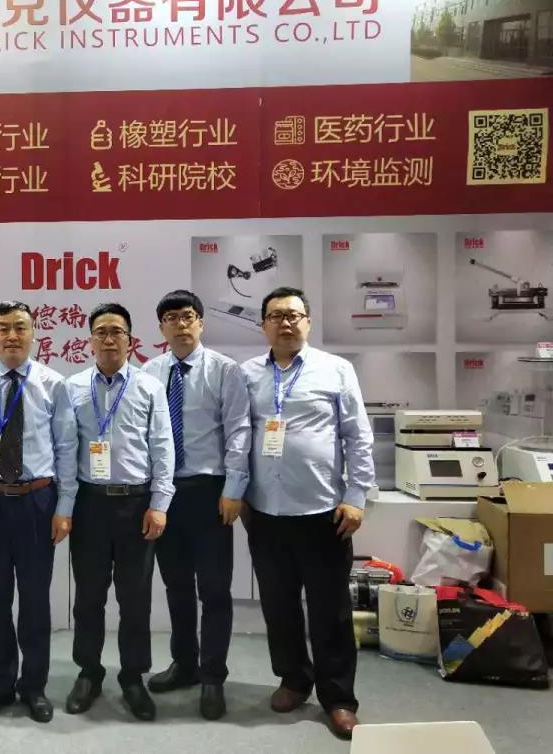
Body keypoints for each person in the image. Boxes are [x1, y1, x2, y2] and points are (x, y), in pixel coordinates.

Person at [239, 286, 374, 740]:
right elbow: (238, 437)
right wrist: (239, 493)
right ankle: (294, 679)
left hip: (323, 512)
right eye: (276, 315)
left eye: (294, 315)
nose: (286, 322)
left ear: (308, 322)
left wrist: (356, 496)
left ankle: (339, 697)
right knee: (278, 605)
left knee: (330, 610)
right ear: (263, 325)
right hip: (266, 512)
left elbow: (358, 437)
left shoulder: (336, 370)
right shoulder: (247, 375)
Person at [0, 300, 78, 724]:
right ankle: (0, 683)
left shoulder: (53, 383)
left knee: (34, 599)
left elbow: (66, 447)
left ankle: (34, 686)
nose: (12, 336)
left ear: (33, 333)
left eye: (20, 327)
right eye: (3, 328)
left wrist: (64, 507)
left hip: (37, 501)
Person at [142, 290, 251, 720]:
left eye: (188, 316)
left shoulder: (224, 370)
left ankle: (212, 677)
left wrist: (234, 489)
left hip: (210, 493)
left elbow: (239, 431)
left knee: (215, 590)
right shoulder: (150, 372)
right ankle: (184, 664)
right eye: (171, 318)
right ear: (162, 328)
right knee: (176, 587)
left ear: (201, 323)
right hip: (166, 493)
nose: (181, 324)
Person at [64, 302, 175, 721]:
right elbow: (65, 450)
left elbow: (163, 447)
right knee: (88, 598)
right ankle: (88, 673)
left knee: (135, 599)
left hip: (136, 504)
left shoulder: (149, 387)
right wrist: (65, 507)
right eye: (101, 332)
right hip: (89, 505)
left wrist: (159, 505)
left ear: (130, 340)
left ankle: (132, 677)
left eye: (117, 332)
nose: (109, 339)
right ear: (90, 340)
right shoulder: (73, 387)